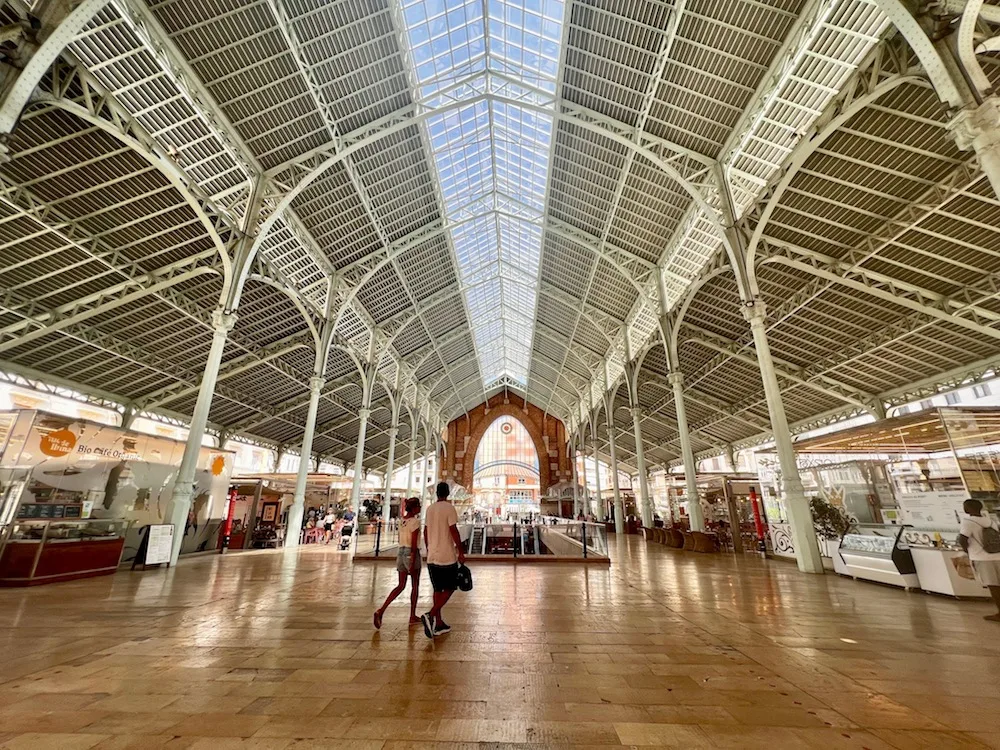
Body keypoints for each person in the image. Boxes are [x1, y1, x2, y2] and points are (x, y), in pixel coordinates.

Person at [421, 481, 465, 638]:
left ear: (436, 493)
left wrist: (429, 548)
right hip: (446, 557)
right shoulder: (449, 508)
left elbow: (425, 531)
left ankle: (438, 623)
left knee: (437, 589)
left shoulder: (430, 509)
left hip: (432, 556)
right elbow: (453, 530)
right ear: (448, 493)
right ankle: (431, 615)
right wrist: (461, 551)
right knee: (452, 587)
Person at [374, 497, 422, 629]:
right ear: (414, 508)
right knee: (415, 585)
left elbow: (401, 538)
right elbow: (413, 542)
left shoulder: (402, 521)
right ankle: (412, 615)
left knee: (400, 585)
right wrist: (412, 559)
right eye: (418, 506)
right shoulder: (415, 522)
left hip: (400, 552)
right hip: (411, 553)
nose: (420, 508)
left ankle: (382, 610)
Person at [958, 498, 1000, 621]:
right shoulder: (990, 521)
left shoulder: (968, 522)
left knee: (993, 586)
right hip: (997, 555)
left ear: (968, 509)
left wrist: (967, 551)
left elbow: (963, 539)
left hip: (982, 557)